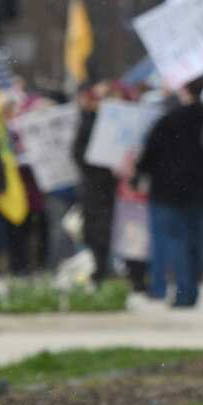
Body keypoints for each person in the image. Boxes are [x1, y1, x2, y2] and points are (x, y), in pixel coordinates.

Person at [137, 77, 203, 307]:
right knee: (194, 244)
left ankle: (170, 289)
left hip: (166, 190)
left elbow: (149, 156)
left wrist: (138, 173)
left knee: (170, 242)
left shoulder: (168, 120)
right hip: (199, 190)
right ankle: (191, 291)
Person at [72, 83, 119, 282]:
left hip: (108, 184)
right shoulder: (87, 120)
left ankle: (102, 269)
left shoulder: (112, 120)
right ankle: (96, 270)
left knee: (105, 230)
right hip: (93, 184)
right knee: (93, 230)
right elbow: (78, 153)